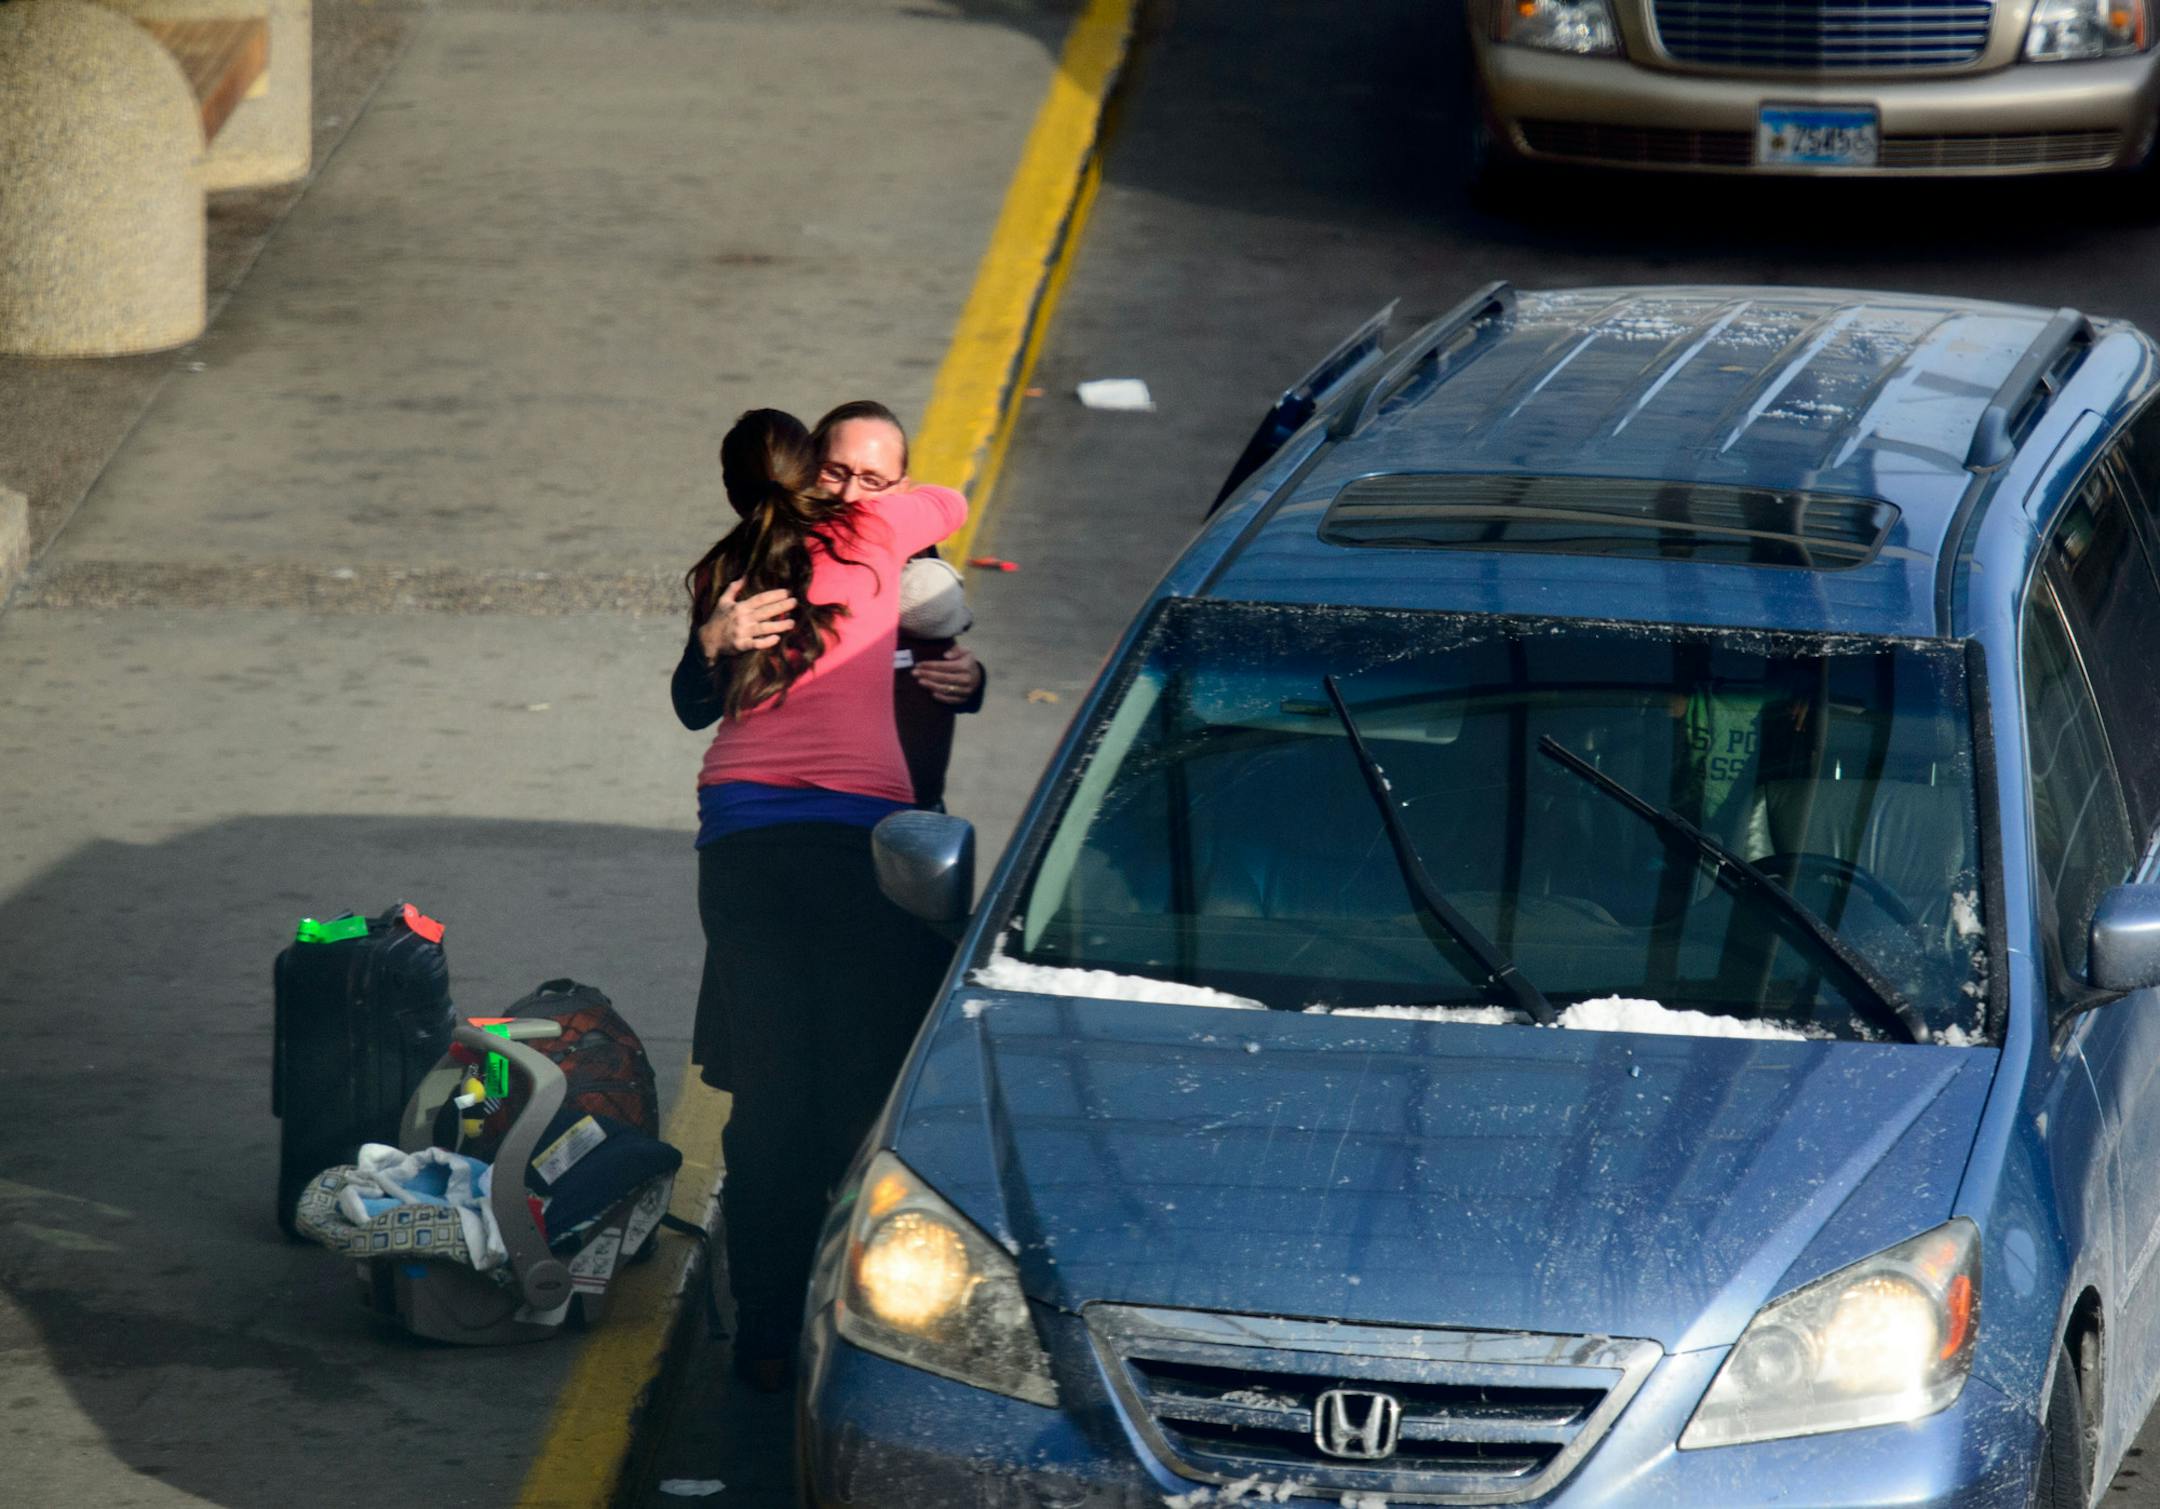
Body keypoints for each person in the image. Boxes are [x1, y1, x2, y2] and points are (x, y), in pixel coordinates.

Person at [670, 408, 965, 1391]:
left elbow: (692, 707)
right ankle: (842, 1315)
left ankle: (761, 1325)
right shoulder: (881, 534)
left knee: (767, 1091)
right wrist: (901, 519)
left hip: (741, 839)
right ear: (810, 476)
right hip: (852, 846)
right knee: (852, 1092)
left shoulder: (722, 566)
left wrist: (711, 638)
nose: (851, 492)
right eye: (835, 473)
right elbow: (952, 503)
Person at [809, 401, 987, 806]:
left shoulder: (915, 551)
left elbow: (932, 650)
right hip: (814, 816)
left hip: (912, 817)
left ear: (902, 489)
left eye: (872, 480)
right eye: (834, 472)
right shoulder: (775, 559)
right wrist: (716, 642)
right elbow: (696, 703)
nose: (850, 494)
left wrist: (969, 679)